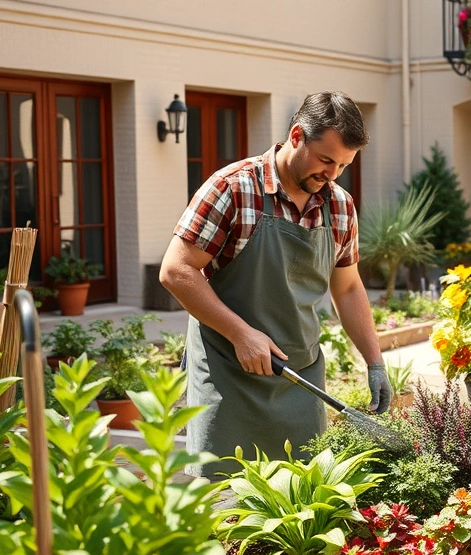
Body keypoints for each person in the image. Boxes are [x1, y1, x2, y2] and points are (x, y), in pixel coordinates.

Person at [159, 91, 392, 478]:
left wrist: (375, 362)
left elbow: (348, 288)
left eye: (343, 166)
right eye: (326, 160)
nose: (332, 175)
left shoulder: (339, 205)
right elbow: (176, 270)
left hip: (299, 381)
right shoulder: (233, 188)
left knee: (299, 507)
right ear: (297, 136)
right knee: (223, 501)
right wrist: (240, 333)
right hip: (226, 375)